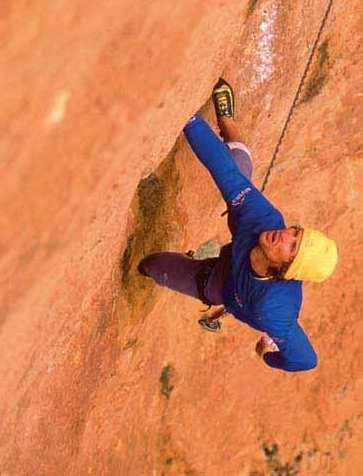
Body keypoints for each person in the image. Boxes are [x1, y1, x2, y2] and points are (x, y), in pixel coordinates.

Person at [138, 78, 338, 372]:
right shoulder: (265, 222)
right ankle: (227, 120)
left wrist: (267, 355)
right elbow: (222, 172)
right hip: (238, 255)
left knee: (150, 266)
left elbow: (306, 360)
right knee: (236, 172)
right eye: (295, 232)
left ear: (285, 269)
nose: (284, 234)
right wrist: (185, 115)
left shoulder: (275, 312)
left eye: (291, 245)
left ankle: (190, 265)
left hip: (225, 286)